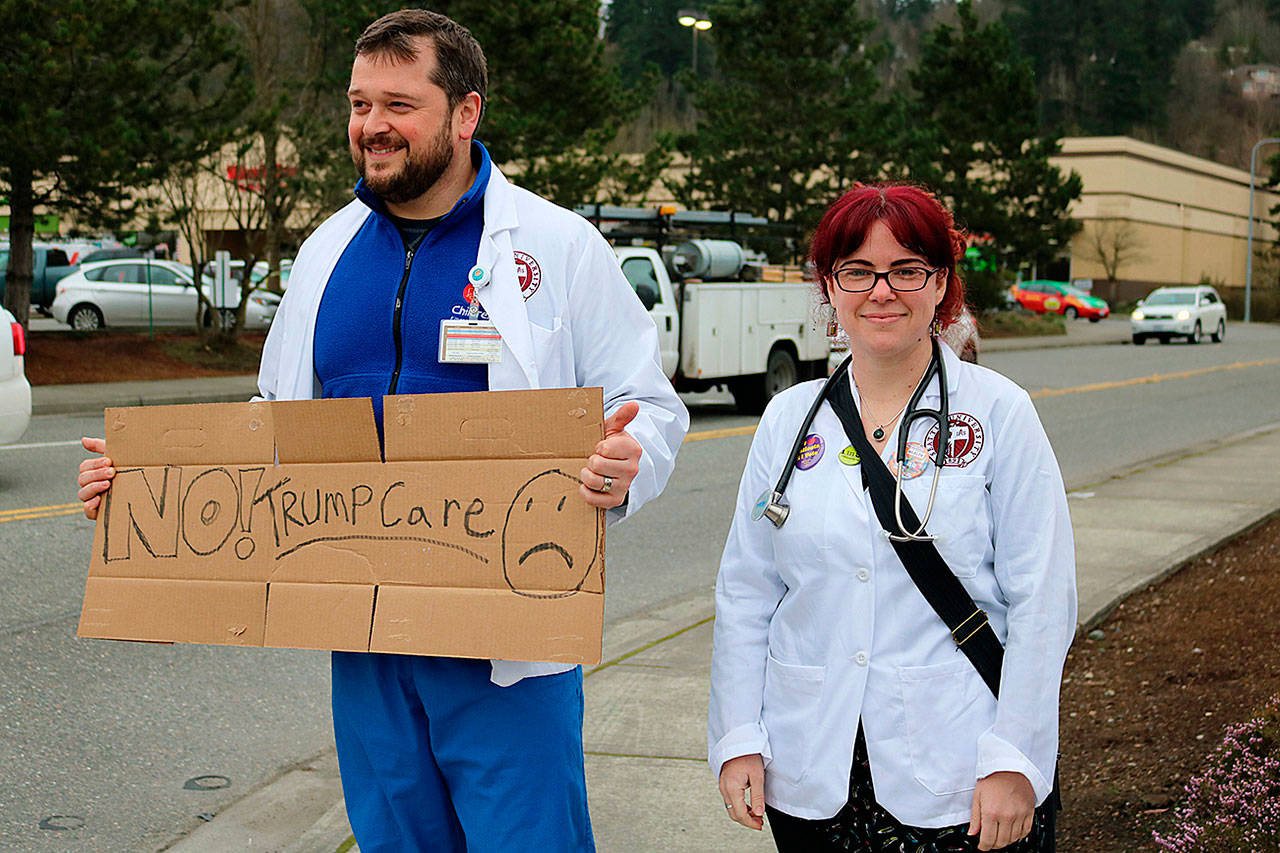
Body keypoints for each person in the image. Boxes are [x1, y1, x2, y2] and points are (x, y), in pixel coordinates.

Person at [77, 10, 688, 851]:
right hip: (364, 642)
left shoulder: (557, 247)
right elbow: (268, 425)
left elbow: (649, 404)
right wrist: (144, 484)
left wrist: (628, 461)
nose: (372, 126)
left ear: (465, 113)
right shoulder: (326, 253)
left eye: (399, 104)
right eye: (360, 104)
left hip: (507, 649)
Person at [708, 183, 1075, 852]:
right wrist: (738, 737)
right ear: (830, 285)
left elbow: (1043, 599)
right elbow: (746, 592)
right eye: (858, 271)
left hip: (961, 766)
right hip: (812, 764)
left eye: (906, 270)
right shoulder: (789, 419)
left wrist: (1016, 759)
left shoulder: (999, 413)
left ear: (941, 284)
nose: (882, 291)